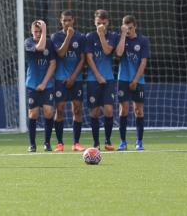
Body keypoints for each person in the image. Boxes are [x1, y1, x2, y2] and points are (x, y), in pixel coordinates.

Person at [51, 10, 86, 152]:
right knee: (59, 110)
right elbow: (60, 53)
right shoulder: (56, 36)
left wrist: (73, 77)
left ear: (73, 20)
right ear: (61, 21)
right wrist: (68, 37)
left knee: (77, 110)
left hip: (76, 79)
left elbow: (83, 59)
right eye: (64, 20)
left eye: (69, 20)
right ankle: (60, 143)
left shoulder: (81, 37)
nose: (67, 23)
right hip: (60, 79)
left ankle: (76, 143)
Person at [85, 9, 119, 151]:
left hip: (109, 78)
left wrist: (101, 35)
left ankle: (108, 140)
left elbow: (106, 51)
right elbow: (89, 58)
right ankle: (96, 142)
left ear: (107, 23)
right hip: (94, 79)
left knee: (109, 110)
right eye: (98, 23)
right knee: (94, 112)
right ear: (94, 22)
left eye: (103, 23)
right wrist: (98, 76)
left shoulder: (112, 36)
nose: (101, 26)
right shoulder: (89, 36)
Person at [115, 15, 150, 151]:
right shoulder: (120, 38)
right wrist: (123, 35)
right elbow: (118, 53)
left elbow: (143, 62)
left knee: (138, 110)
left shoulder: (143, 40)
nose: (128, 30)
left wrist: (135, 80)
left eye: (130, 28)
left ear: (135, 26)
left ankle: (139, 141)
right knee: (123, 110)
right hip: (123, 79)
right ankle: (123, 142)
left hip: (138, 80)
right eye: (125, 28)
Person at [25, 20, 56, 152]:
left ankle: (47, 143)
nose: (38, 34)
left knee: (49, 111)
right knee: (33, 114)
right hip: (32, 84)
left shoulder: (50, 43)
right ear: (31, 32)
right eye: (36, 31)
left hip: (47, 84)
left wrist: (44, 83)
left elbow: (53, 63)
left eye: (40, 31)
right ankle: (32, 144)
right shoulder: (28, 42)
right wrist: (44, 28)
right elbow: (40, 48)